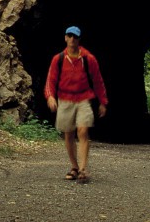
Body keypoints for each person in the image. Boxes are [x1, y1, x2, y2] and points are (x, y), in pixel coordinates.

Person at [44, 25, 108, 183]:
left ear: (79, 39)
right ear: (65, 38)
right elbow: (51, 80)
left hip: (83, 98)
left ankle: (83, 169)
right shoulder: (58, 59)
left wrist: (103, 101)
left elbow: (98, 80)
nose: (72, 39)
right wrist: (50, 97)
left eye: (75, 36)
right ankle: (74, 167)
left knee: (83, 130)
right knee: (68, 133)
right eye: (70, 35)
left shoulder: (88, 58)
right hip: (65, 99)